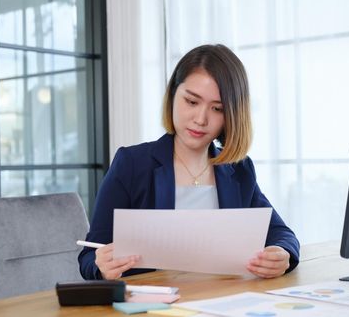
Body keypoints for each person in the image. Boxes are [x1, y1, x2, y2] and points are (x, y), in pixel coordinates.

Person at [78, 44, 300, 280]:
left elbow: (281, 234)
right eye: (192, 102)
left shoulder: (238, 169)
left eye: (217, 109)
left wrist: (281, 254)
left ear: (232, 116)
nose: (201, 119)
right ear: (173, 95)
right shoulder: (132, 164)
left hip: (224, 302)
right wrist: (101, 266)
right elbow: (89, 257)